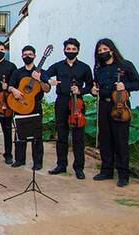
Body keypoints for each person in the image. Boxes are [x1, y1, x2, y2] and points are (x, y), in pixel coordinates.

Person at [91, 38, 139, 187]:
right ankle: (106, 170)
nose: (102, 53)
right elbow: (96, 87)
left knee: (120, 140)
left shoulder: (125, 65)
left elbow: (138, 83)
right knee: (105, 138)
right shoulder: (99, 69)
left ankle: (123, 174)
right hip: (104, 106)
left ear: (112, 50)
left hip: (120, 105)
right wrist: (93, 91)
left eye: (105, 50)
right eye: (99, 51)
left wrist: (125, 85)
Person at [43, 38, 93, 179]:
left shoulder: (84, 67)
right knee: (61, 134)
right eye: (68, 49)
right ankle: (61, 165)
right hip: (62, 101)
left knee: (78, 137)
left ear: (78, 50)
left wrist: (80, 90)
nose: (70, 51)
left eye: (73, 49)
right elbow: (44, 73)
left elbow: (90, 85)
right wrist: (48, 80)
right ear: (64, 50)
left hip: (77, 103)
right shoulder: (58, 66)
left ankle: (79, 168)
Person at [8, 45, 51, 171]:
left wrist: (40, 80)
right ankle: (20, 160)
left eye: (30, 54)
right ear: (22, 56)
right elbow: (10, 86)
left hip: (35, 107)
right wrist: (14, 90)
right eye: (25, 54)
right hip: (20, 105)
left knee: (36, 136)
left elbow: (47, 89)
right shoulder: (17, 72)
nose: (27, 56)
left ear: (35, 56)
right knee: (20, 134)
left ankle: (37, 162)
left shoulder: (42, 72)